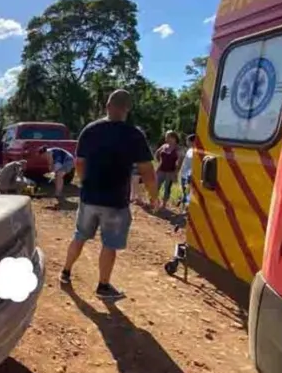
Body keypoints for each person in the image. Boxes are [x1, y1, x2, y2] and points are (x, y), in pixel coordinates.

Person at [60, 89, 160, 301]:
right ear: (127, 109)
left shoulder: (90, 130)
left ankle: (66, 272)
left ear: (107, 106)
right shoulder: (134, 134)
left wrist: (84, 181)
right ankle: (103, 286)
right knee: (109, 244)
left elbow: (79, 163)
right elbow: (147, 171)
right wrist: (153, 197)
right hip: (115, 201)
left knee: (80, 236)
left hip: (89, 197)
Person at [154, 131, 181, 208]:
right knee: (156, 185)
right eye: (166, 137)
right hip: (161, 170)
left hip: (170, 172)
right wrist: (159, 162)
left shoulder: (177, 149)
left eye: (168, 137)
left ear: (174, 138)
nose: (166, 139)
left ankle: (164, 204)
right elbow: (157, 154)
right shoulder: (164, 146)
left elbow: (179, 161)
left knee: (167, 188)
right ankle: (154, 201)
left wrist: (176, 172)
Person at [179, 134, 196, 209]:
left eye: (188, 141)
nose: (186, 142)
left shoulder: (195, 152)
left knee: (188, 192)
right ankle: (183, 207)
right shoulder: (189, 150)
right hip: (184, 173)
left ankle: (187, 208)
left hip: (189, 175)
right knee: (184, 191)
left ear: (192, 141)